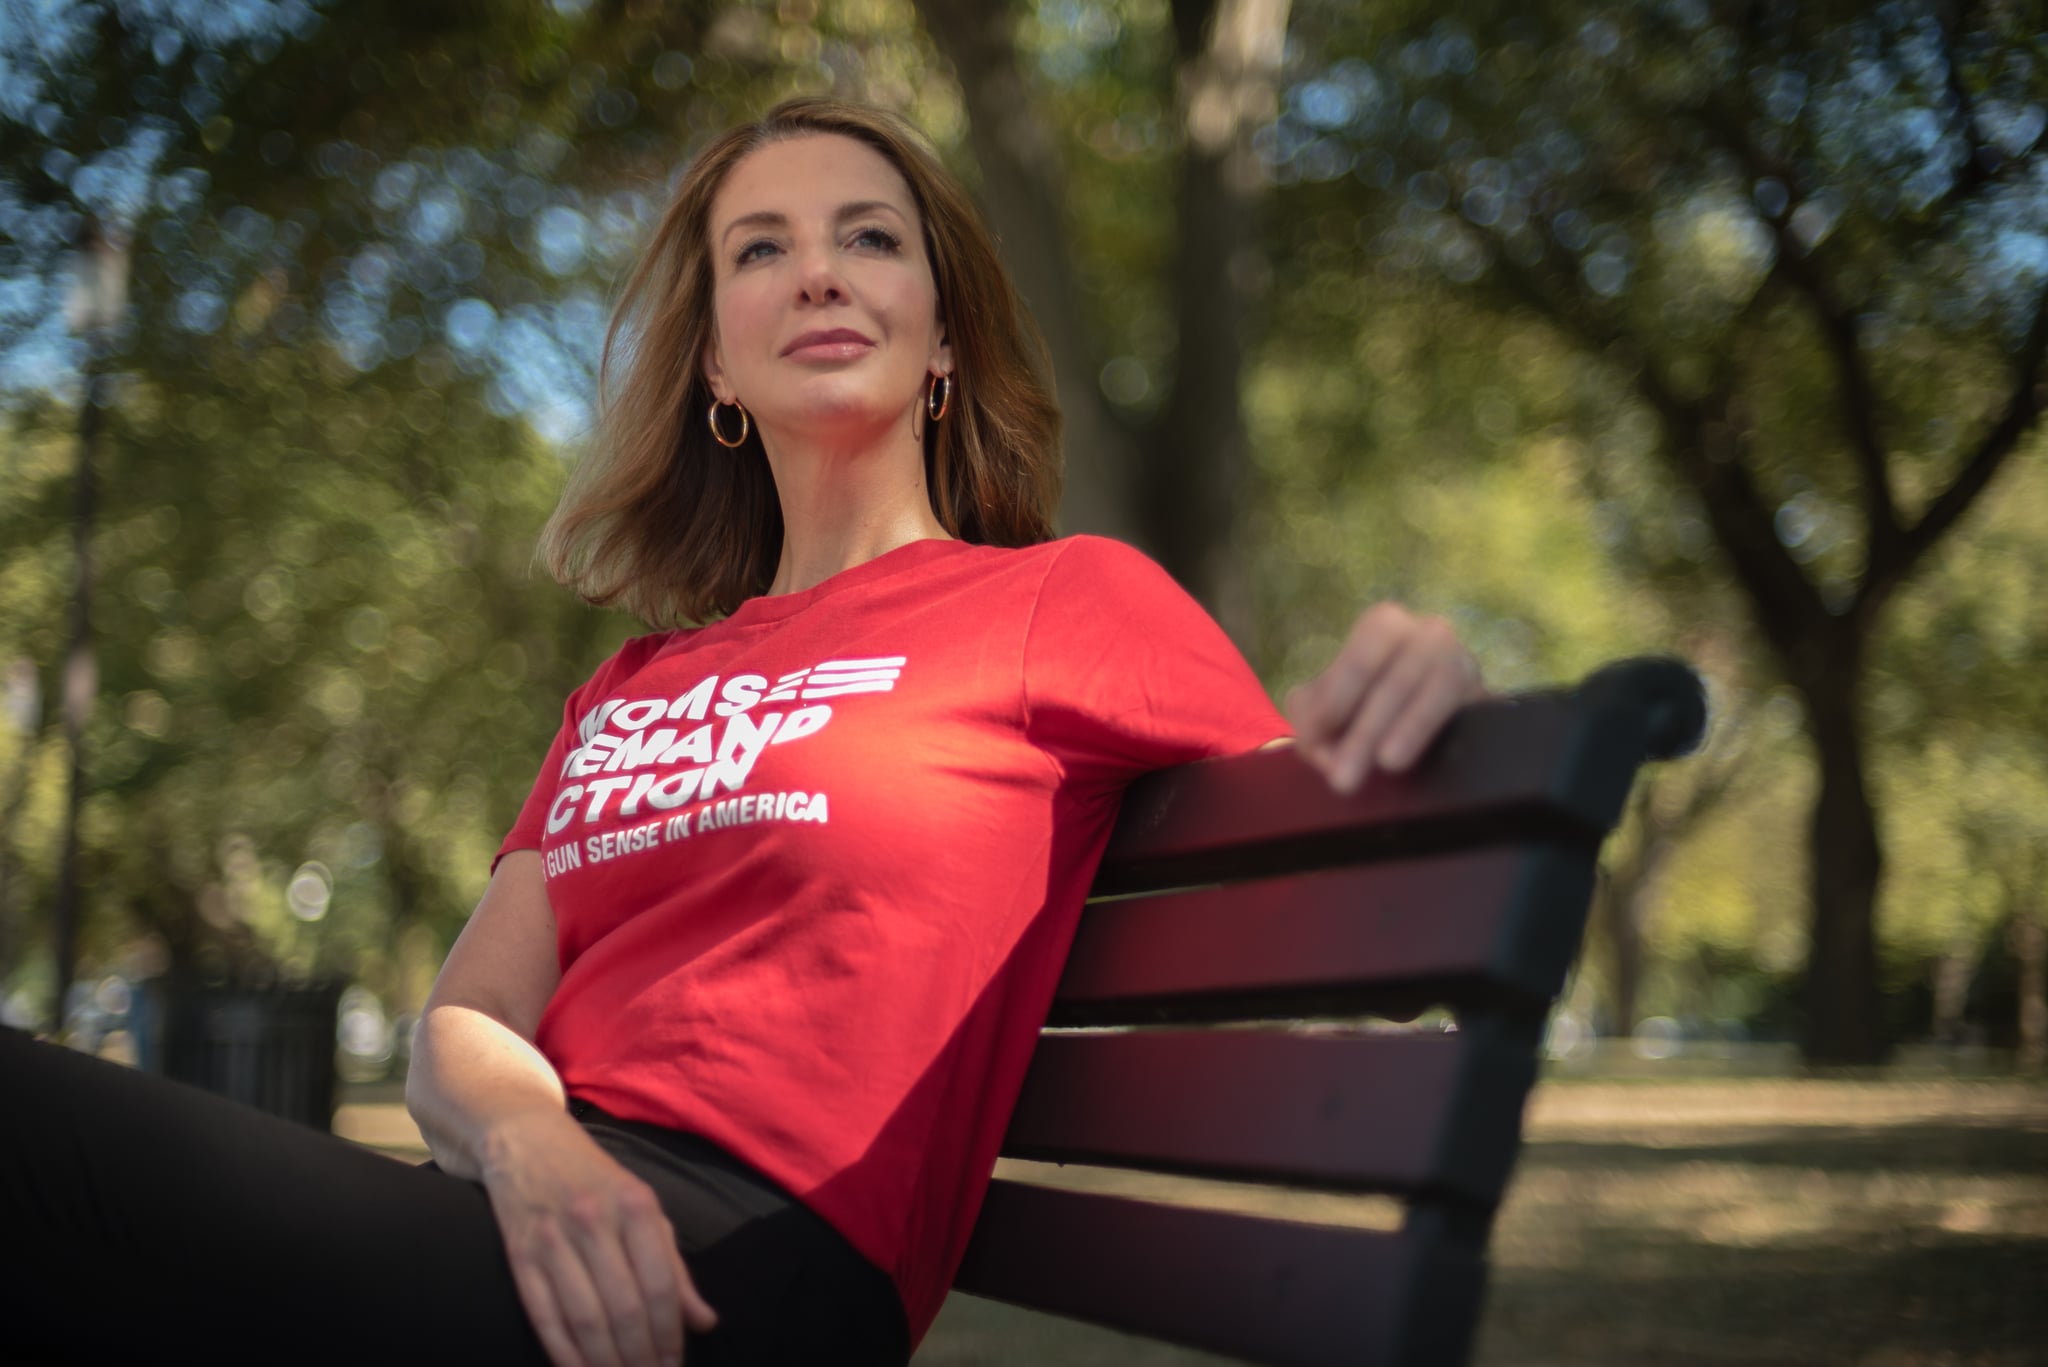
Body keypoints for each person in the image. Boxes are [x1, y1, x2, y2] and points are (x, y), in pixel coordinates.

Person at [0, 98, 1482, 1366]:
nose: (817, 274)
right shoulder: (630, 684)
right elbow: (465, 1023)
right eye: (759, 250)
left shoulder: (1062, 602)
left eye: (868, 237)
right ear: (714, 363)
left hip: (752, 1267)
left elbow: (1362, 903)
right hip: (536, 1219)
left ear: (944, 333)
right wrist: (533, 1152)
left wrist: (1426, 697)